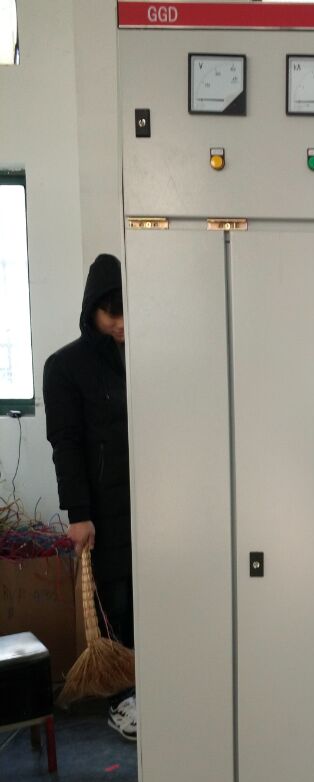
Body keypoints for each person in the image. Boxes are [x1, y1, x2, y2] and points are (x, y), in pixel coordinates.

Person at [43, 254, 136, 741]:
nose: (120, 324)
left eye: (126, 312)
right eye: (110, 313)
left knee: (152, 597)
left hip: (151, 505)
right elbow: (67, 444)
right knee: (114, 601)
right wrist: (78, 513)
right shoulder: (65, 367)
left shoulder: (148, 354)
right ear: (91, 311)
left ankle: (156, 684)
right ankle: (122, 698)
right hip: (102, 508)